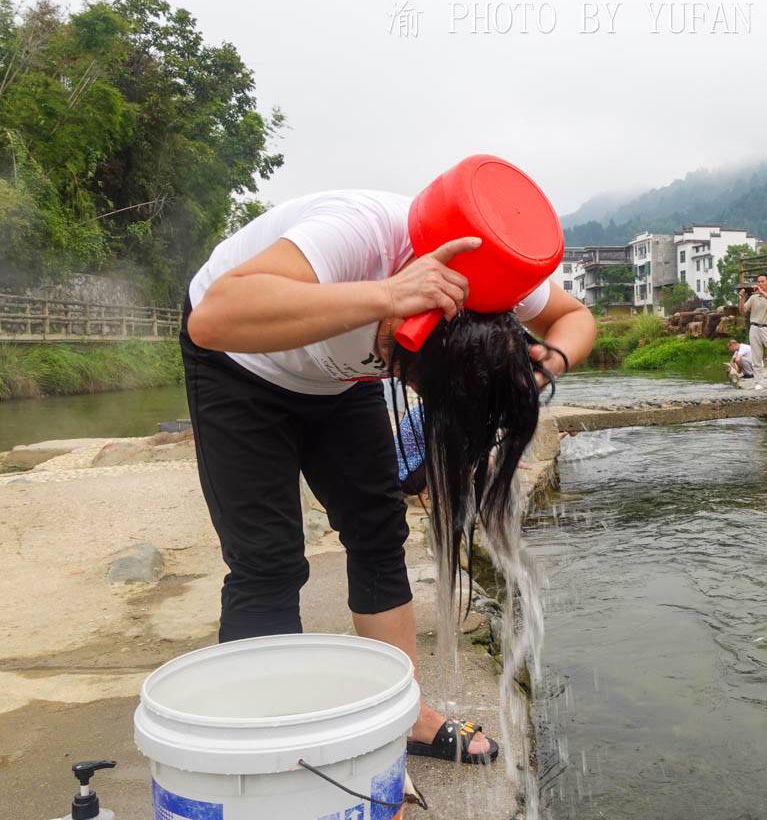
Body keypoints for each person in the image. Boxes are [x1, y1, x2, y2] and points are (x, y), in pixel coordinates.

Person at [181, 188, 596, 766]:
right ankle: (265, 737)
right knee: (268, 560)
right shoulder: (361, 232)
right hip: (241, 365)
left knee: (378, 533)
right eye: (406, 372)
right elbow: (213, 319)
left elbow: (574, 318)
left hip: (339, 384)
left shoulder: (495, 284)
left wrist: (546, 365)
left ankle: (402, 713)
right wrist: (385, 295)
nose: (405, 383)